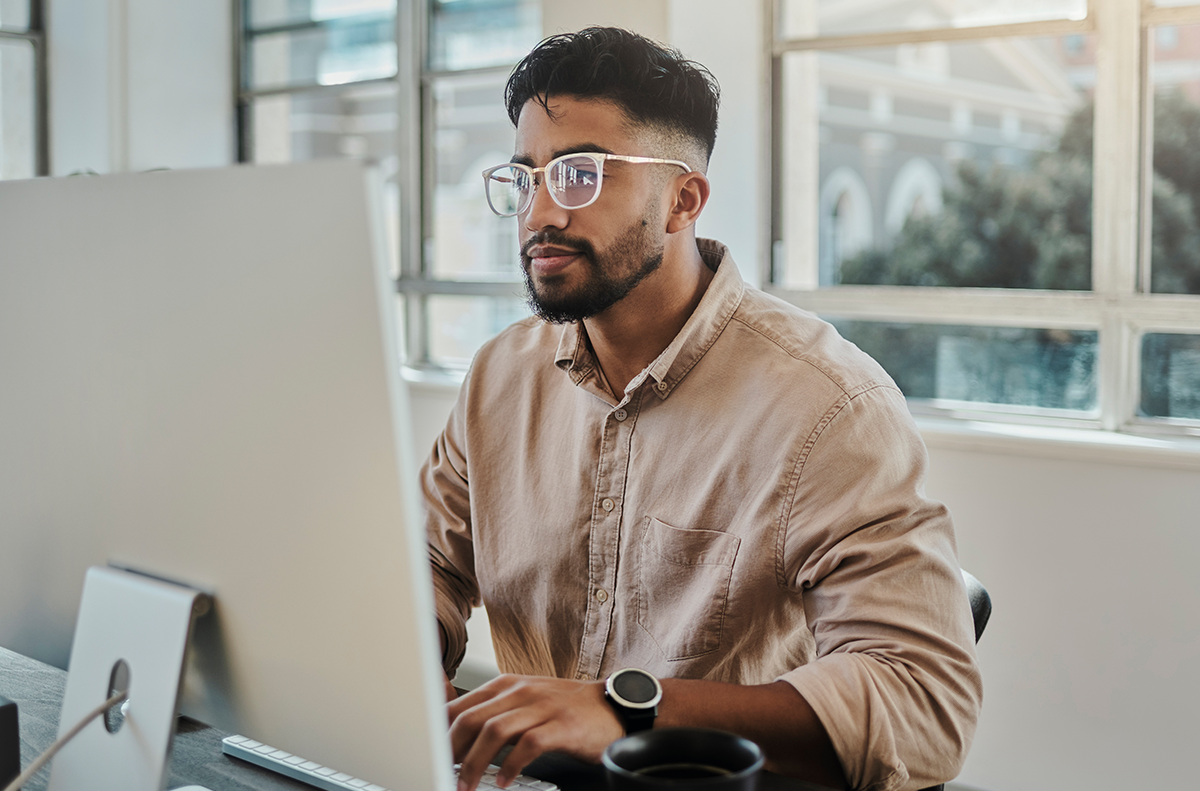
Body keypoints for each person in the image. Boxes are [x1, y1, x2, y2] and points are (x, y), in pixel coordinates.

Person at [424, 27, 981, 791]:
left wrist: (630, 713)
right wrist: (402, 663)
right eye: (526, 179)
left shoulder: (830, 406)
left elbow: (923, 701)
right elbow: (426, 566)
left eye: (580, 174)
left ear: (683, 199)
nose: (540, 214)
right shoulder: (497, 379)